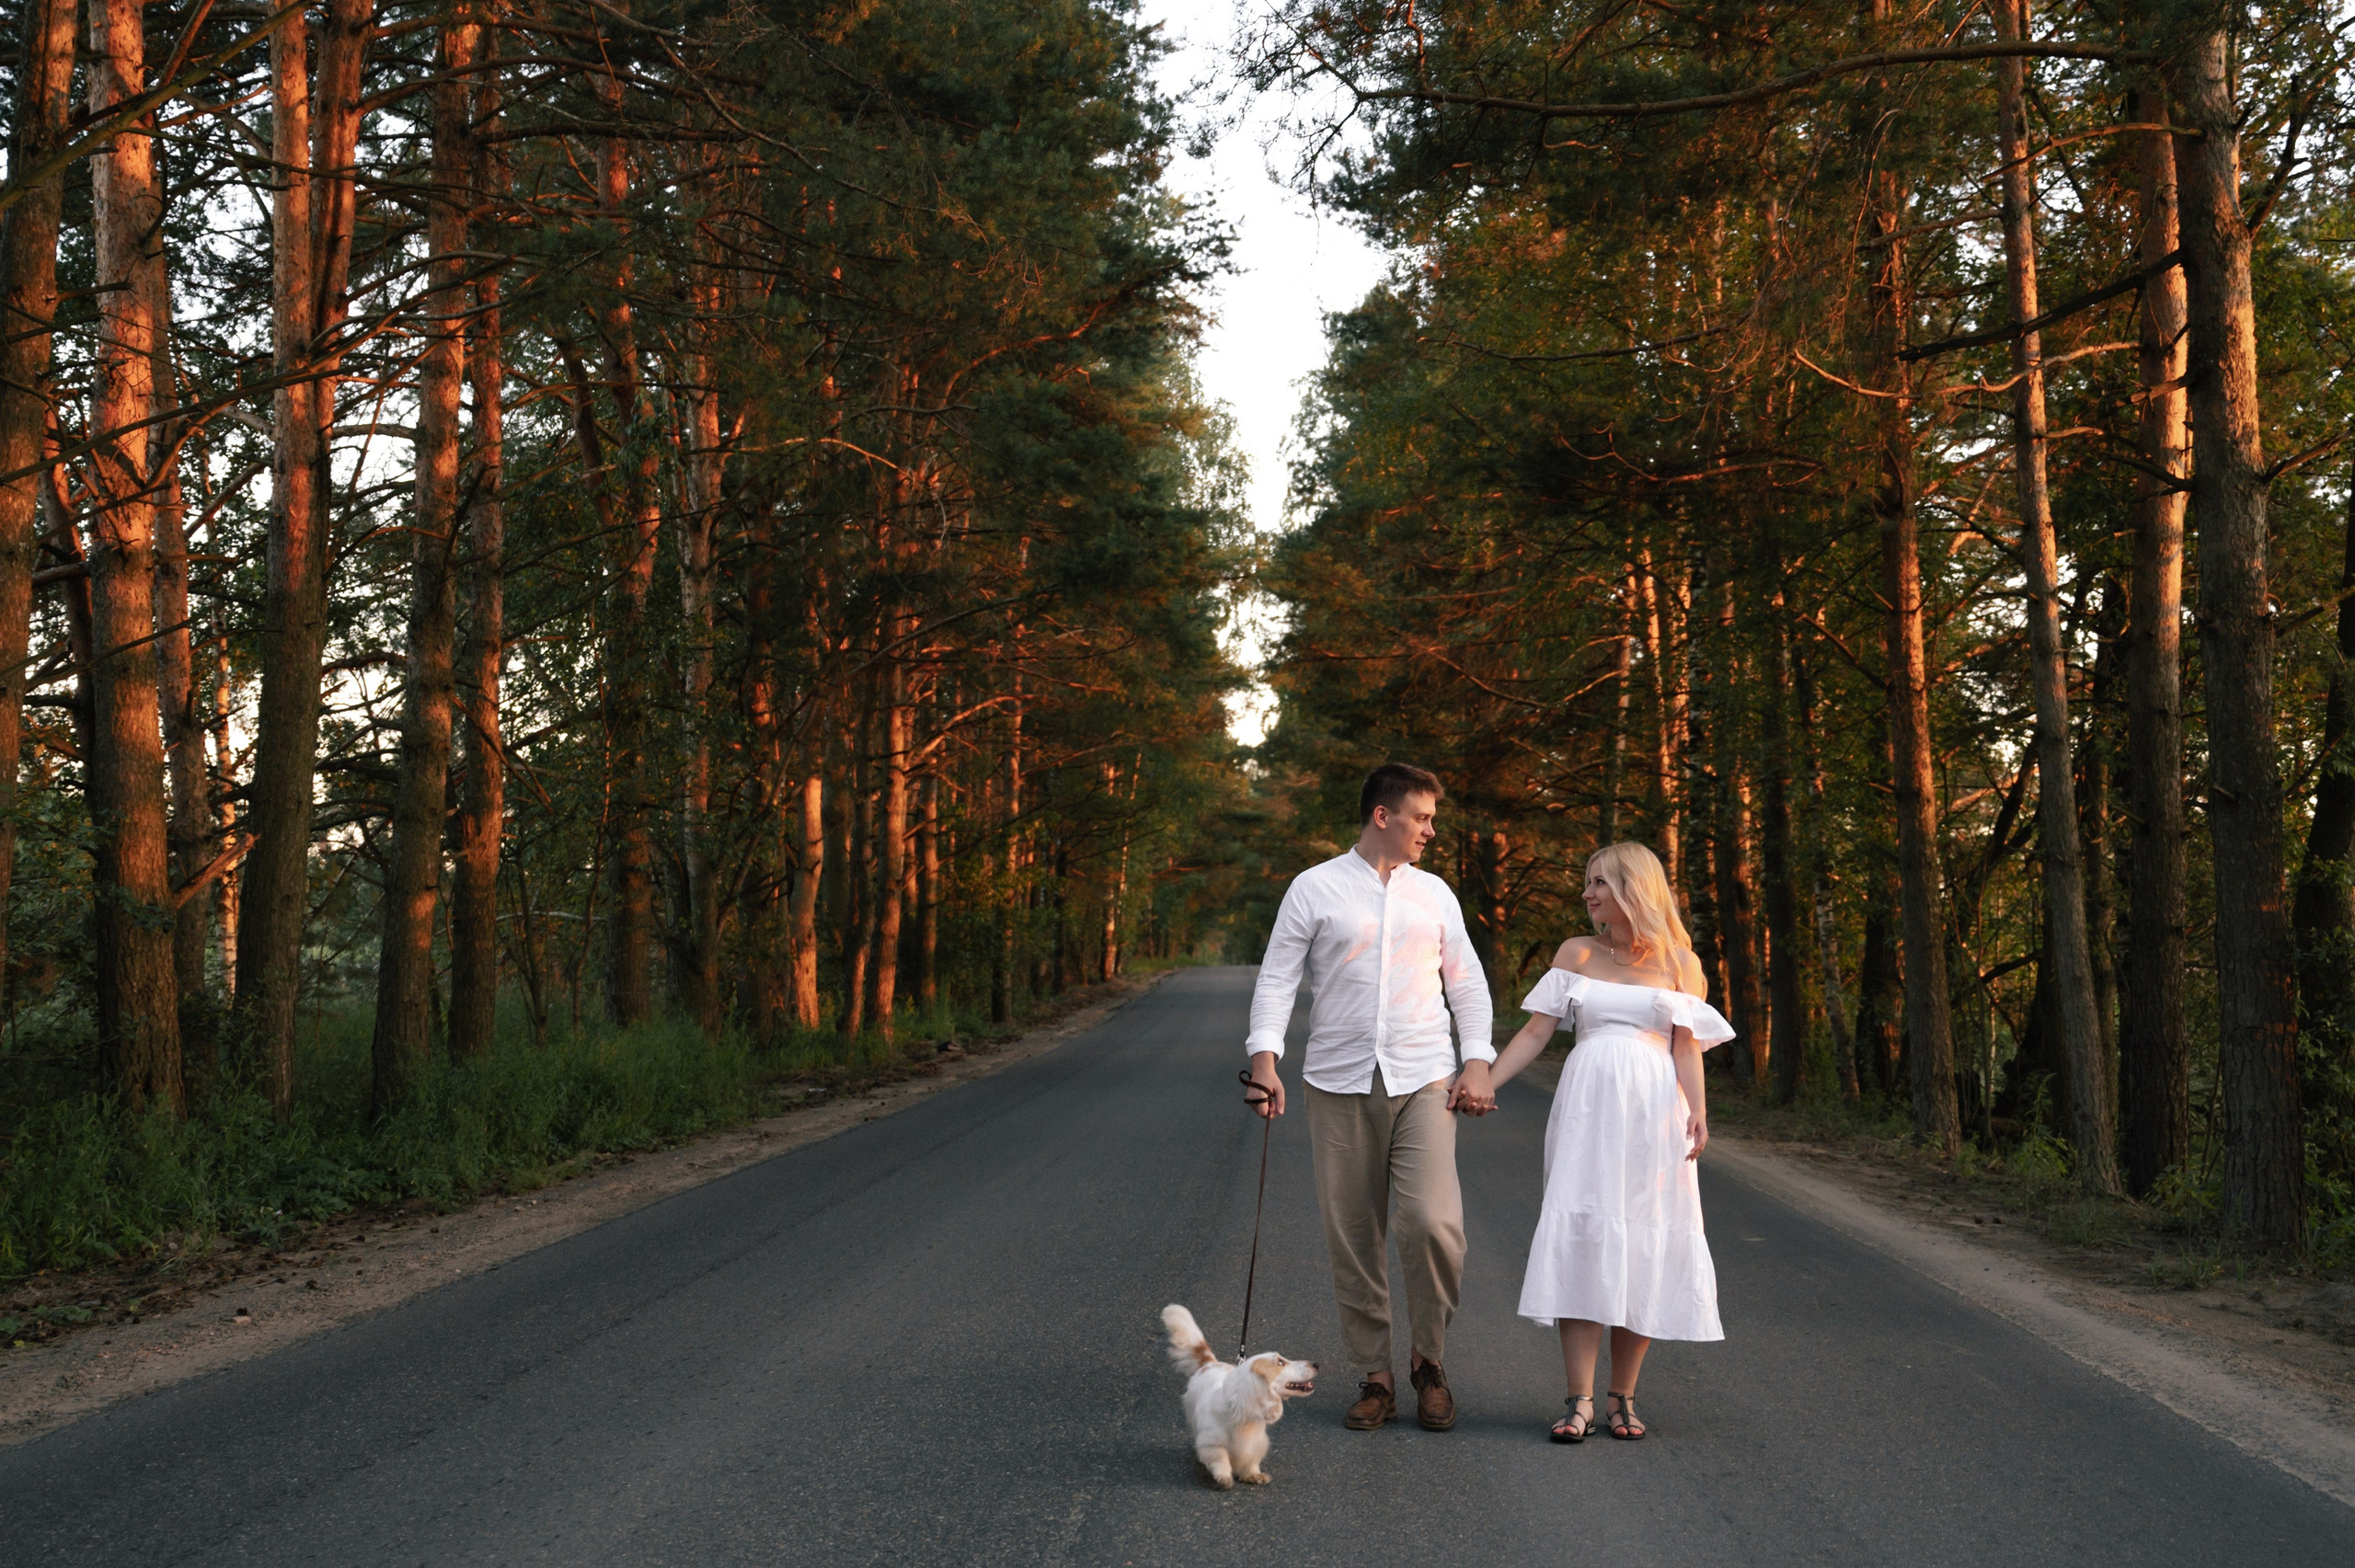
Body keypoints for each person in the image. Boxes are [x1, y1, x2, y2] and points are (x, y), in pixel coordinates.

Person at [1244, 762, 1497, 1432]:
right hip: (1337, 1079)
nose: (1431, 830)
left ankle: (1428, 1361)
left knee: (1434, 1226)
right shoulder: (1314, 887)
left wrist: (1477, 1062)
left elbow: (1466, 982)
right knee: (1354, 1235)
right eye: (1421, 817)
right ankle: (1377, 1376)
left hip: (1425, 1077)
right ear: (1383, 816)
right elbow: (1277, 978)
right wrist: (1264, 1060)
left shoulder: (1436, 894)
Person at [1471, 841, 1733, 1443]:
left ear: (1632, 888)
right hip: (1588, 1109)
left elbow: (1686, 1046)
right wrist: (1485, 1078)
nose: (1587, 893)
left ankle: (1623, 1397)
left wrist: (1698, 1112)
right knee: (1587, 1233)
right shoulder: (1577, 952)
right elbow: (1537, 1032)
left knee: (1643, 1239)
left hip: (1654, 1114)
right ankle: (1579, 1399)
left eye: (1598, 883)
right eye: (1587, 882)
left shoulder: (1681, 962)